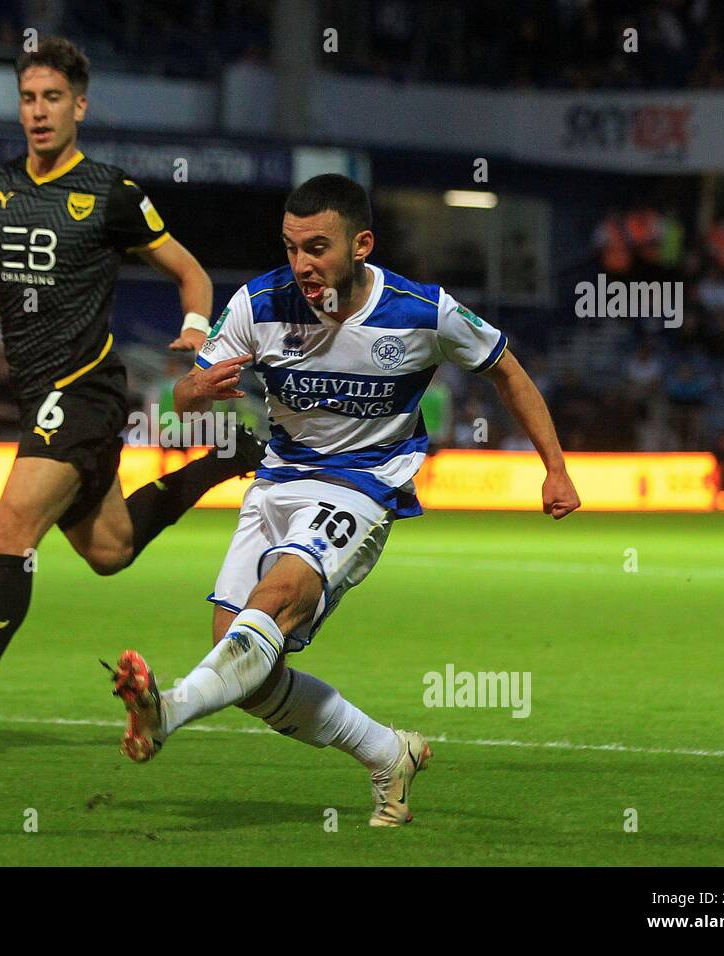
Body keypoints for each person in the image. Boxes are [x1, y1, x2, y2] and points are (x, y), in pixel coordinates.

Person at [108, 174, 580, 826]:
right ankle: (388, 753)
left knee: (276, 600)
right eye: (291, 246)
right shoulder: (259, 301)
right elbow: (185, 391)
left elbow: (507, 370)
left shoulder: (421, 310)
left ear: (361, 245)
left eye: (317, 247)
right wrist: (197, 391)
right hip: (278, 482)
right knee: (245, 667)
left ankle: (169, 710)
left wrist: (554, 468)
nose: (301, 263)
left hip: (362, 488)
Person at [0, 37, 262, 729]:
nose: (38, 112)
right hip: (36, 397)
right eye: (27, 99)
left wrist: (196, 329)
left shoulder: (110, 193)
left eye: (51, 99)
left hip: (84, 390)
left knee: (9, 532)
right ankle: (227, 459)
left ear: (79, 105)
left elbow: (193, 274)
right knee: (110, 551)